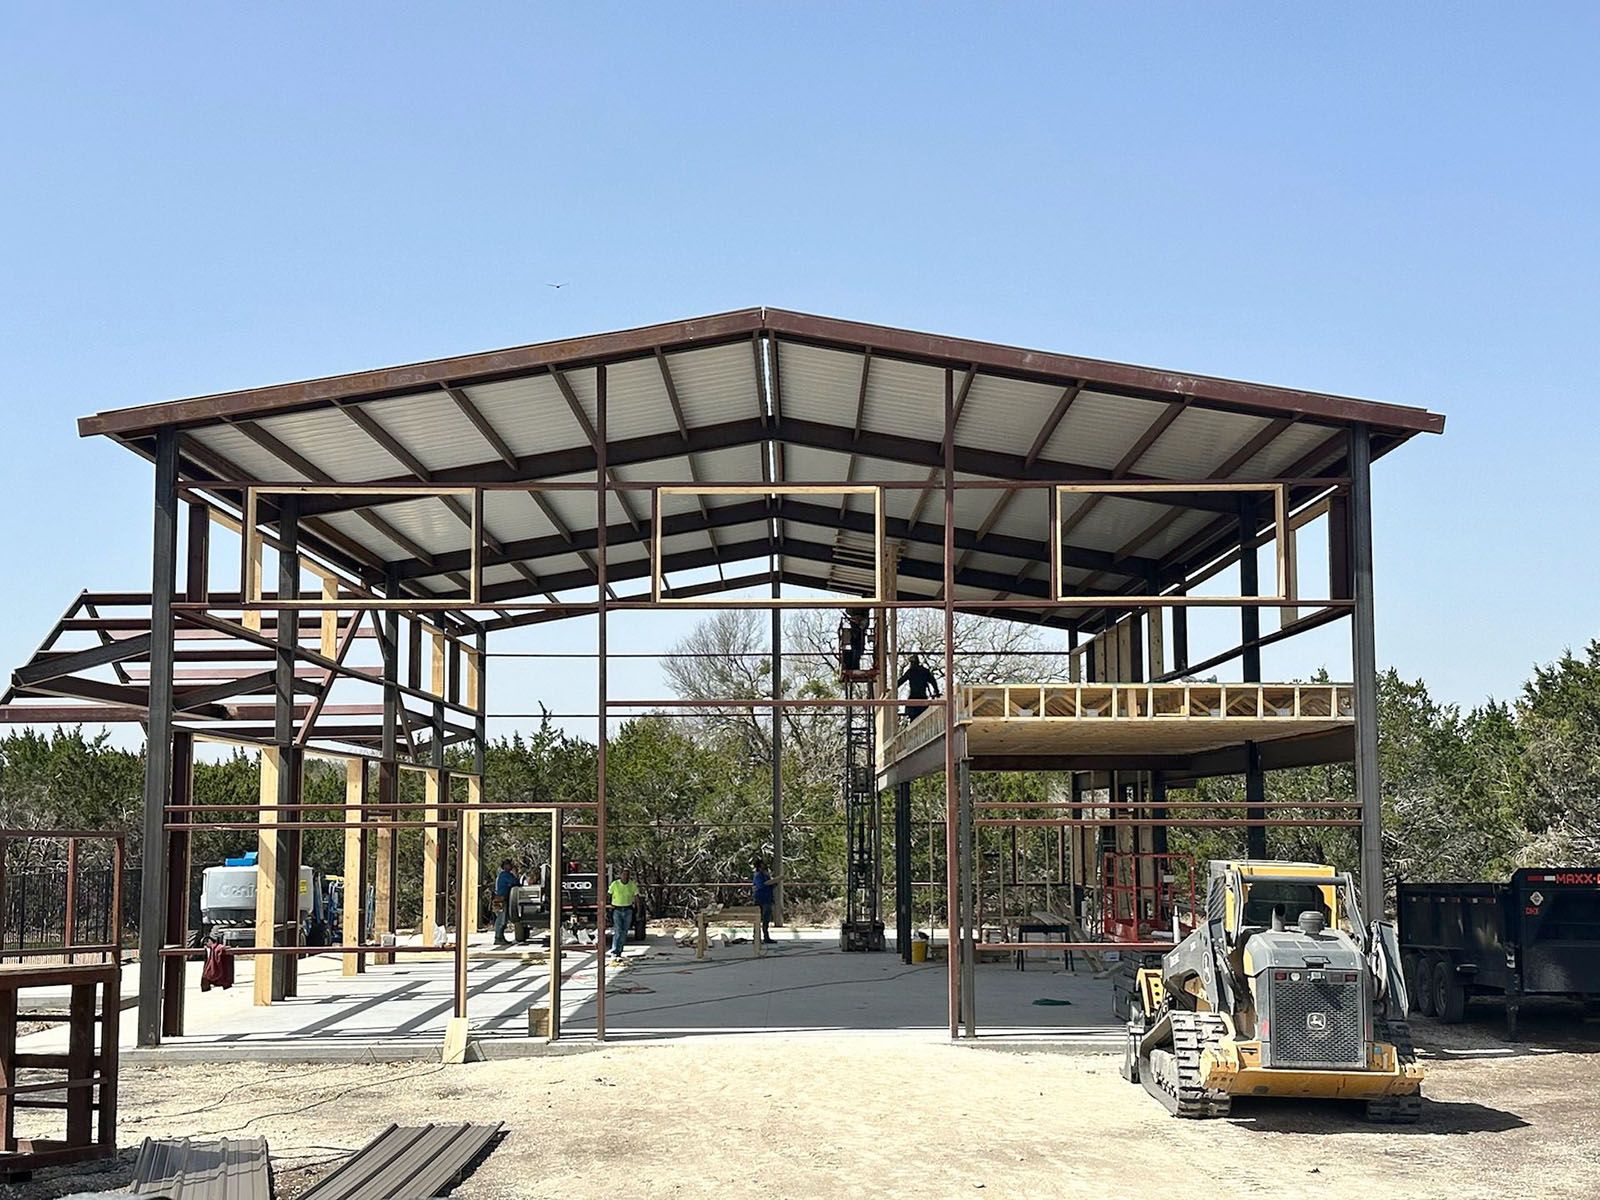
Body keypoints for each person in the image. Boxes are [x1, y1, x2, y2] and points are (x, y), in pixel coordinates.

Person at [607, 868, 640, 962]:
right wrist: (608, 906)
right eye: (624, 874)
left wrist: (638, 911)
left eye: (627, 874)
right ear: (620, 875)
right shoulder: (615, 884)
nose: (626, 876)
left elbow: (636, 897)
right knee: (618, 930)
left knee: (624, 931)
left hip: (628, 909)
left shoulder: (632, 885)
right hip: (617, 909)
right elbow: (608, 895)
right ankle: (614, 951)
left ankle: (619, 950)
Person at [898, 654, 941, 723]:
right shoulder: (925, 671)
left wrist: (892, 689)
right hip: (922, 698)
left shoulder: (911, 671)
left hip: (913, 699)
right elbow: (933, 682)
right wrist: (937, 692)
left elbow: (900, 681)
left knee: (913, 720)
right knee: (923, 719)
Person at [493, 859, 519, 946]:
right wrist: (515, 875)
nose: (510, 866)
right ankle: (498, 937)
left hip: (500, 898)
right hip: (501, 899)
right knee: (501, 918)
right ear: (504, 866)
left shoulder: (503, 875)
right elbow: (515, 882)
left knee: (502, 918)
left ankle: (500, 937)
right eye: (508, 865)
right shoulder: (505, 875)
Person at [751, 858, 777, 944]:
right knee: (758, 918)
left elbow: (770, 886)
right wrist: (768, 883)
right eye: (762, 864)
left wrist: (774, 883)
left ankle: (766, 937)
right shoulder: (758, 875)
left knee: (766, 919)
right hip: (760, 899)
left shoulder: (766, 875)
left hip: (768, 898)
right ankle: (756, 938)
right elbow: (760, 886)